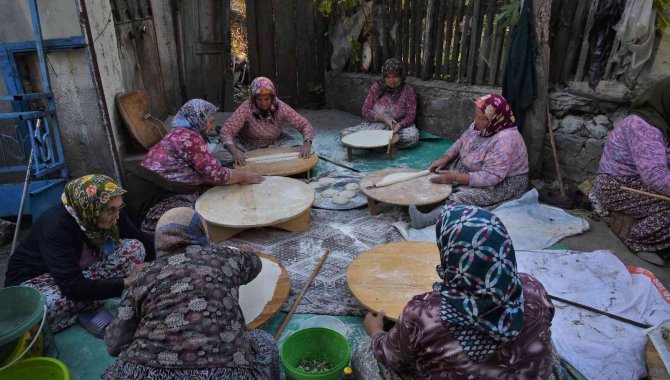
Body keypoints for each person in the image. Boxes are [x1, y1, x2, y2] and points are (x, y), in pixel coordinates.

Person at [352, 203, 557, 379]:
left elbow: (393, 358)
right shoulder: (533, 289)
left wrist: (376, 331)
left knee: (365, 353)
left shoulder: (424, 314)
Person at [102, 207, 279, 379]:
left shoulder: (144, 276)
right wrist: (246, 251)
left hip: (145, 371)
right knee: (264, 342)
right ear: (199, 232)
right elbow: (255, 264)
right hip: (226, 370)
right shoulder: (224, 256)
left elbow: (114, 344)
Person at [6, 175, 152, 334]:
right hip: (39, 282)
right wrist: (125, 282)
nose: (117, 215)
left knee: (134, 248)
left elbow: (138, 236)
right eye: (111, 210)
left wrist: (169, 253)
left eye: (120, 207)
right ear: (91, 208)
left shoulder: (108, 209)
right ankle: (86, 308)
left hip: (77, 271)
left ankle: (88, 301)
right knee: (42, 309)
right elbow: (71, 286)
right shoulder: (56, 227)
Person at [129, 99, 264, 234]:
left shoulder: (178, 132)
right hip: (158, 194)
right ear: (198, 118)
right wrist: (242, 176)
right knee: (191, 219)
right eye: (210, 121)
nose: (212, 125)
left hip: (152, 189)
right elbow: (216, 175)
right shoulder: (189, 138)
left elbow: (205, 169)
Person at [409, 93, 529, 228]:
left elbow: (492, 176)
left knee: (462, 196)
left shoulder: (505, 139)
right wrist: (446, 158)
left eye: (480, 118)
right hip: (474, 168)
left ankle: (429, 218)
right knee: (437, 172)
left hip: (502, 183)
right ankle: (428, 200)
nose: (476, 120)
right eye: (476, 115)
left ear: (494, 119)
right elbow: (462, 141)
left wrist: (455, 178)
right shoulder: (483, 124)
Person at [590, 76, 670, 265]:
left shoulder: (664, 124)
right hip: (616, 186)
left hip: (637, 183)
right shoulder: (643, 126)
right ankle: (638, 240)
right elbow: (655, 175)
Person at [218, 76, 315, 165]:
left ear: (272, 97)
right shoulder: (246, 108)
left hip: (275, 142)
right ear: (253, 98)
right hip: (247, 144)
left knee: (301, 152)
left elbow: (305, 125)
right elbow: (226, 131)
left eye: (267, 99)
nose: (264, 103)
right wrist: (235, 152)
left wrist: (307, 144)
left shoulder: (280, 107)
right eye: (259, 100)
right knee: (219, 154)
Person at [340, 58, 419, 149]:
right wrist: (383, 118)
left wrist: (400, 125)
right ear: (384, 76)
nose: (392, 81)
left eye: (395, 77)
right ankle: (382, 144)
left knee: (412, 137)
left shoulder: (409, 91)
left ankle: (374, 145)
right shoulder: (376, 88)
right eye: (388, 77)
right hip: (376, 125)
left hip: (397, 128)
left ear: (401, 76)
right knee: (345, 135)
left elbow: (411, 115)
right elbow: (365, 111)